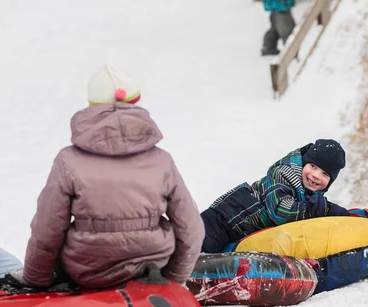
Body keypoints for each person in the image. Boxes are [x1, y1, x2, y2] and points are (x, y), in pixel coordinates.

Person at [22, 65, 204, 288]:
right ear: (136, 104)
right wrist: (174, 278)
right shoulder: (162, 161)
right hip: (153, 267)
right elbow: (191, 228)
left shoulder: (68, 161)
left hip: (87, 272)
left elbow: (47, 229)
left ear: (91, 107)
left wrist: (36, 281)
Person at [201, 139, 350, 253]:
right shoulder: (283, 174)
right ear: (303, 163)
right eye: (313, 166)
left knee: (216, 253)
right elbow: (281, 212)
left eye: (324, 174)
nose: (316, 175)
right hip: (224, 219)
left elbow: (312, 207)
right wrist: (317, 209)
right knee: (195, 248)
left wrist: (333, 211)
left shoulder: (307, 193)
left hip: (239, 231)